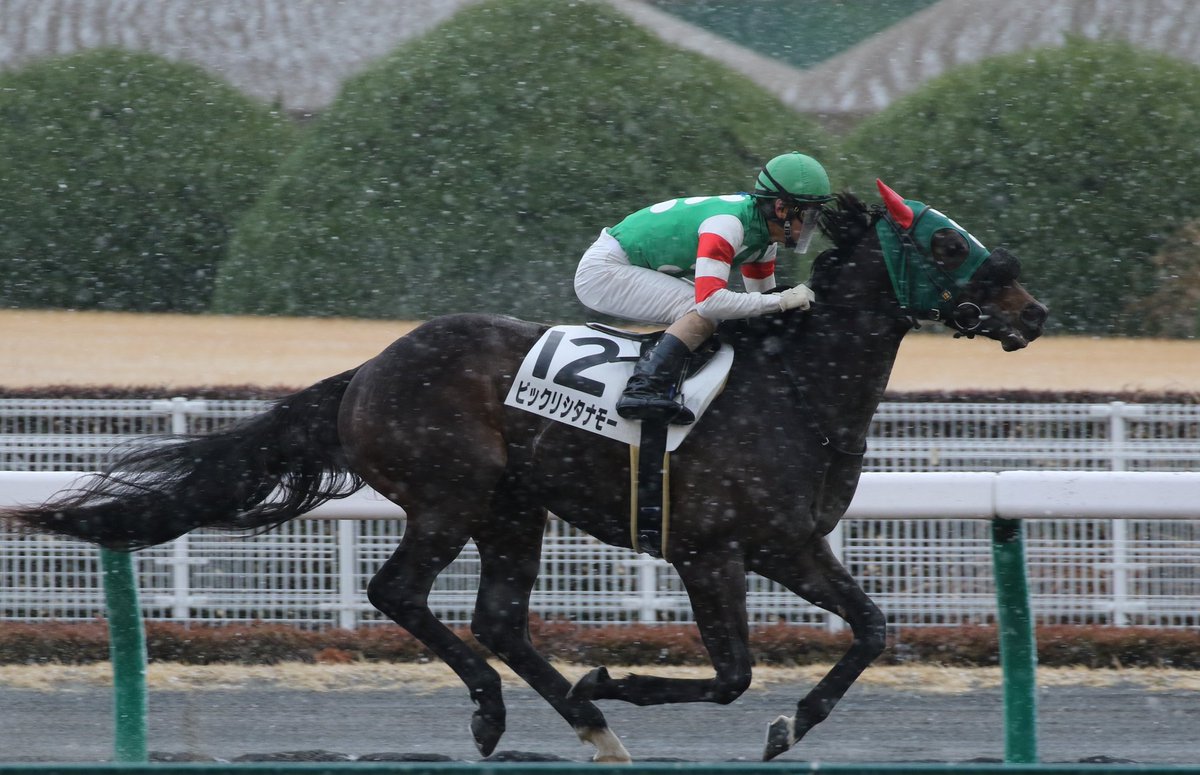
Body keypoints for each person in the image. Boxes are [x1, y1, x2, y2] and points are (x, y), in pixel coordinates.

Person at [574, 151, 833, 424]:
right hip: (603, 270)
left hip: (628, 264)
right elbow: (711, 302)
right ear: (781, 209)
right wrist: (782, 300)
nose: (812, 227)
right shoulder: (728, 225)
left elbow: (763, 307)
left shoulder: (764, 240)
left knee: (723, 315)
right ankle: (644, 387)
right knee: (703, 312)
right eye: (810, 216)